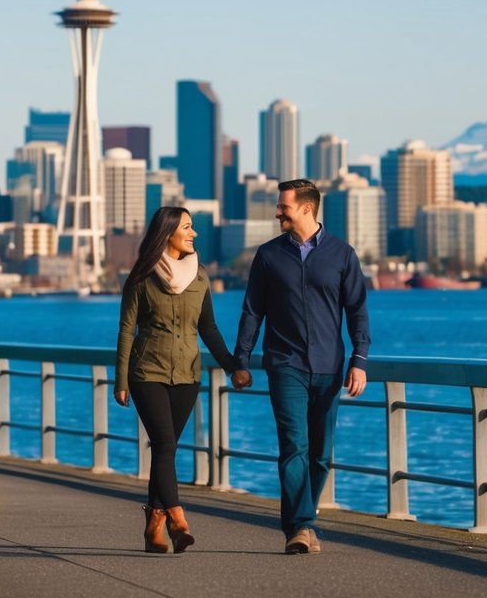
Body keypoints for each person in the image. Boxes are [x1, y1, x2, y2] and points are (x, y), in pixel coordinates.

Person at [233, 178, 370, 555]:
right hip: (285, 364)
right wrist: (241, 360)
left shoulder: (342, 255)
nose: (278, 212)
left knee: (321, 453)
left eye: (284, 207)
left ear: (307, 209)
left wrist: (359, 362)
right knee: (293, 445)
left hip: (329, 366)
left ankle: (303, 520)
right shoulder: (268, 255)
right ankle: (301, 526)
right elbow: (251, 311)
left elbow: (357, 311)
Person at [115, 206, 249, 553]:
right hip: (148, 373)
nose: (194, 234)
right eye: (188, 228)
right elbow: (127, 330)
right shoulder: (141, 277)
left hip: (188, 375)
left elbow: (209, 329)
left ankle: (152, 528)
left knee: (165, 450)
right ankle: (176, 517)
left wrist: (233, 366)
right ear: (168, 232)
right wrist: (121, 380)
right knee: (165, 445)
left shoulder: (199, 276)